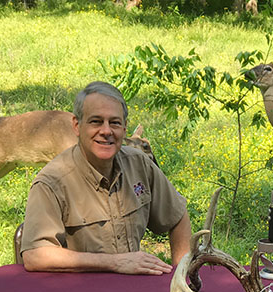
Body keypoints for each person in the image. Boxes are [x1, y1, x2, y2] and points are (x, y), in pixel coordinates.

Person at [21, 81, 191, 275]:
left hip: (133, 290)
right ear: (77, 126)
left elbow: (178, 216)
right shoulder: (52, 183)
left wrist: (182, 273)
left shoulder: (139, 164)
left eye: (115, 123)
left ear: (125, 128)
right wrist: (115, 263)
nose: (106, 131)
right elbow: (35, 255)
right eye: (96, 121)